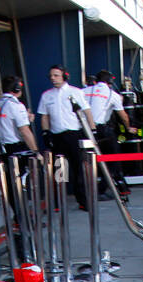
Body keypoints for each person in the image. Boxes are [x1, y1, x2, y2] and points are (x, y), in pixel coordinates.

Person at [37, 65, 94, 210]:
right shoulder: (46, 95)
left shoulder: (76, 92)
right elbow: (44, 116)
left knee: (78, 169)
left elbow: (86, 111)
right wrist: (45, 132)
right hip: (57, 136)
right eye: (51, 76)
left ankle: (82, 200)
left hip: (74, 134)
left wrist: (93, 129)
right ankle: (59, 201)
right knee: (59, 171)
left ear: (64, 76)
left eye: (56, 75)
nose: (53, 78)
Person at [83, 70, 131, 197]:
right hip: (102, 130)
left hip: (83, 130)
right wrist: (128, 128)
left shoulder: (83, 91)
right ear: (110, 82)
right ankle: (101, 189)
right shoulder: (113, 95)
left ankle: (84, 192)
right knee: (113, 158)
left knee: (83, 161)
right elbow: (124, 116)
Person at [0, 76, 37, 155]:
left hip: (2, 148)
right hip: (16, 148)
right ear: (16, 89)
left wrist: (26, 118)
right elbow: (24, 131)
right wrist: (35, 152)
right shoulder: (16, 105)